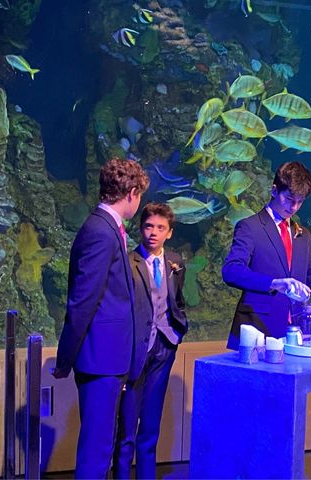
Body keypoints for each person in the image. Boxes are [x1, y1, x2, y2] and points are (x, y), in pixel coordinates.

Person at [53, 158, 149, 479]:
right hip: (100, 360)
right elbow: (82, 301)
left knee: (103, 446)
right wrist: (65, 356)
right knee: (96, 450)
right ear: (132, 193)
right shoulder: (100, 231)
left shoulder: (109, 229)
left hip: (111, 359)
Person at [222, 161, 311, 349]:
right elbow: (231, 271)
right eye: (289, 199)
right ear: (274, 190)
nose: (294, 207)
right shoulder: (250, 227)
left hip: (296, 331)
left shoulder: (304, 235)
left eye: (300, 202)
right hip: (257, 329)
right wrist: (274, 283)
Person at [113, 203, 189, 479]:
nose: (153, 233)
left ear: (169, 232)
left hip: (164, 347)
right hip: (135, 351)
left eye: (160, 228)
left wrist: (178, 332)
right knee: (127, 429)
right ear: (140, 228)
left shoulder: (176, 262)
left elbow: (177, 300)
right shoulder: (127, 261)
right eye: (148, 226)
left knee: (150, 427)